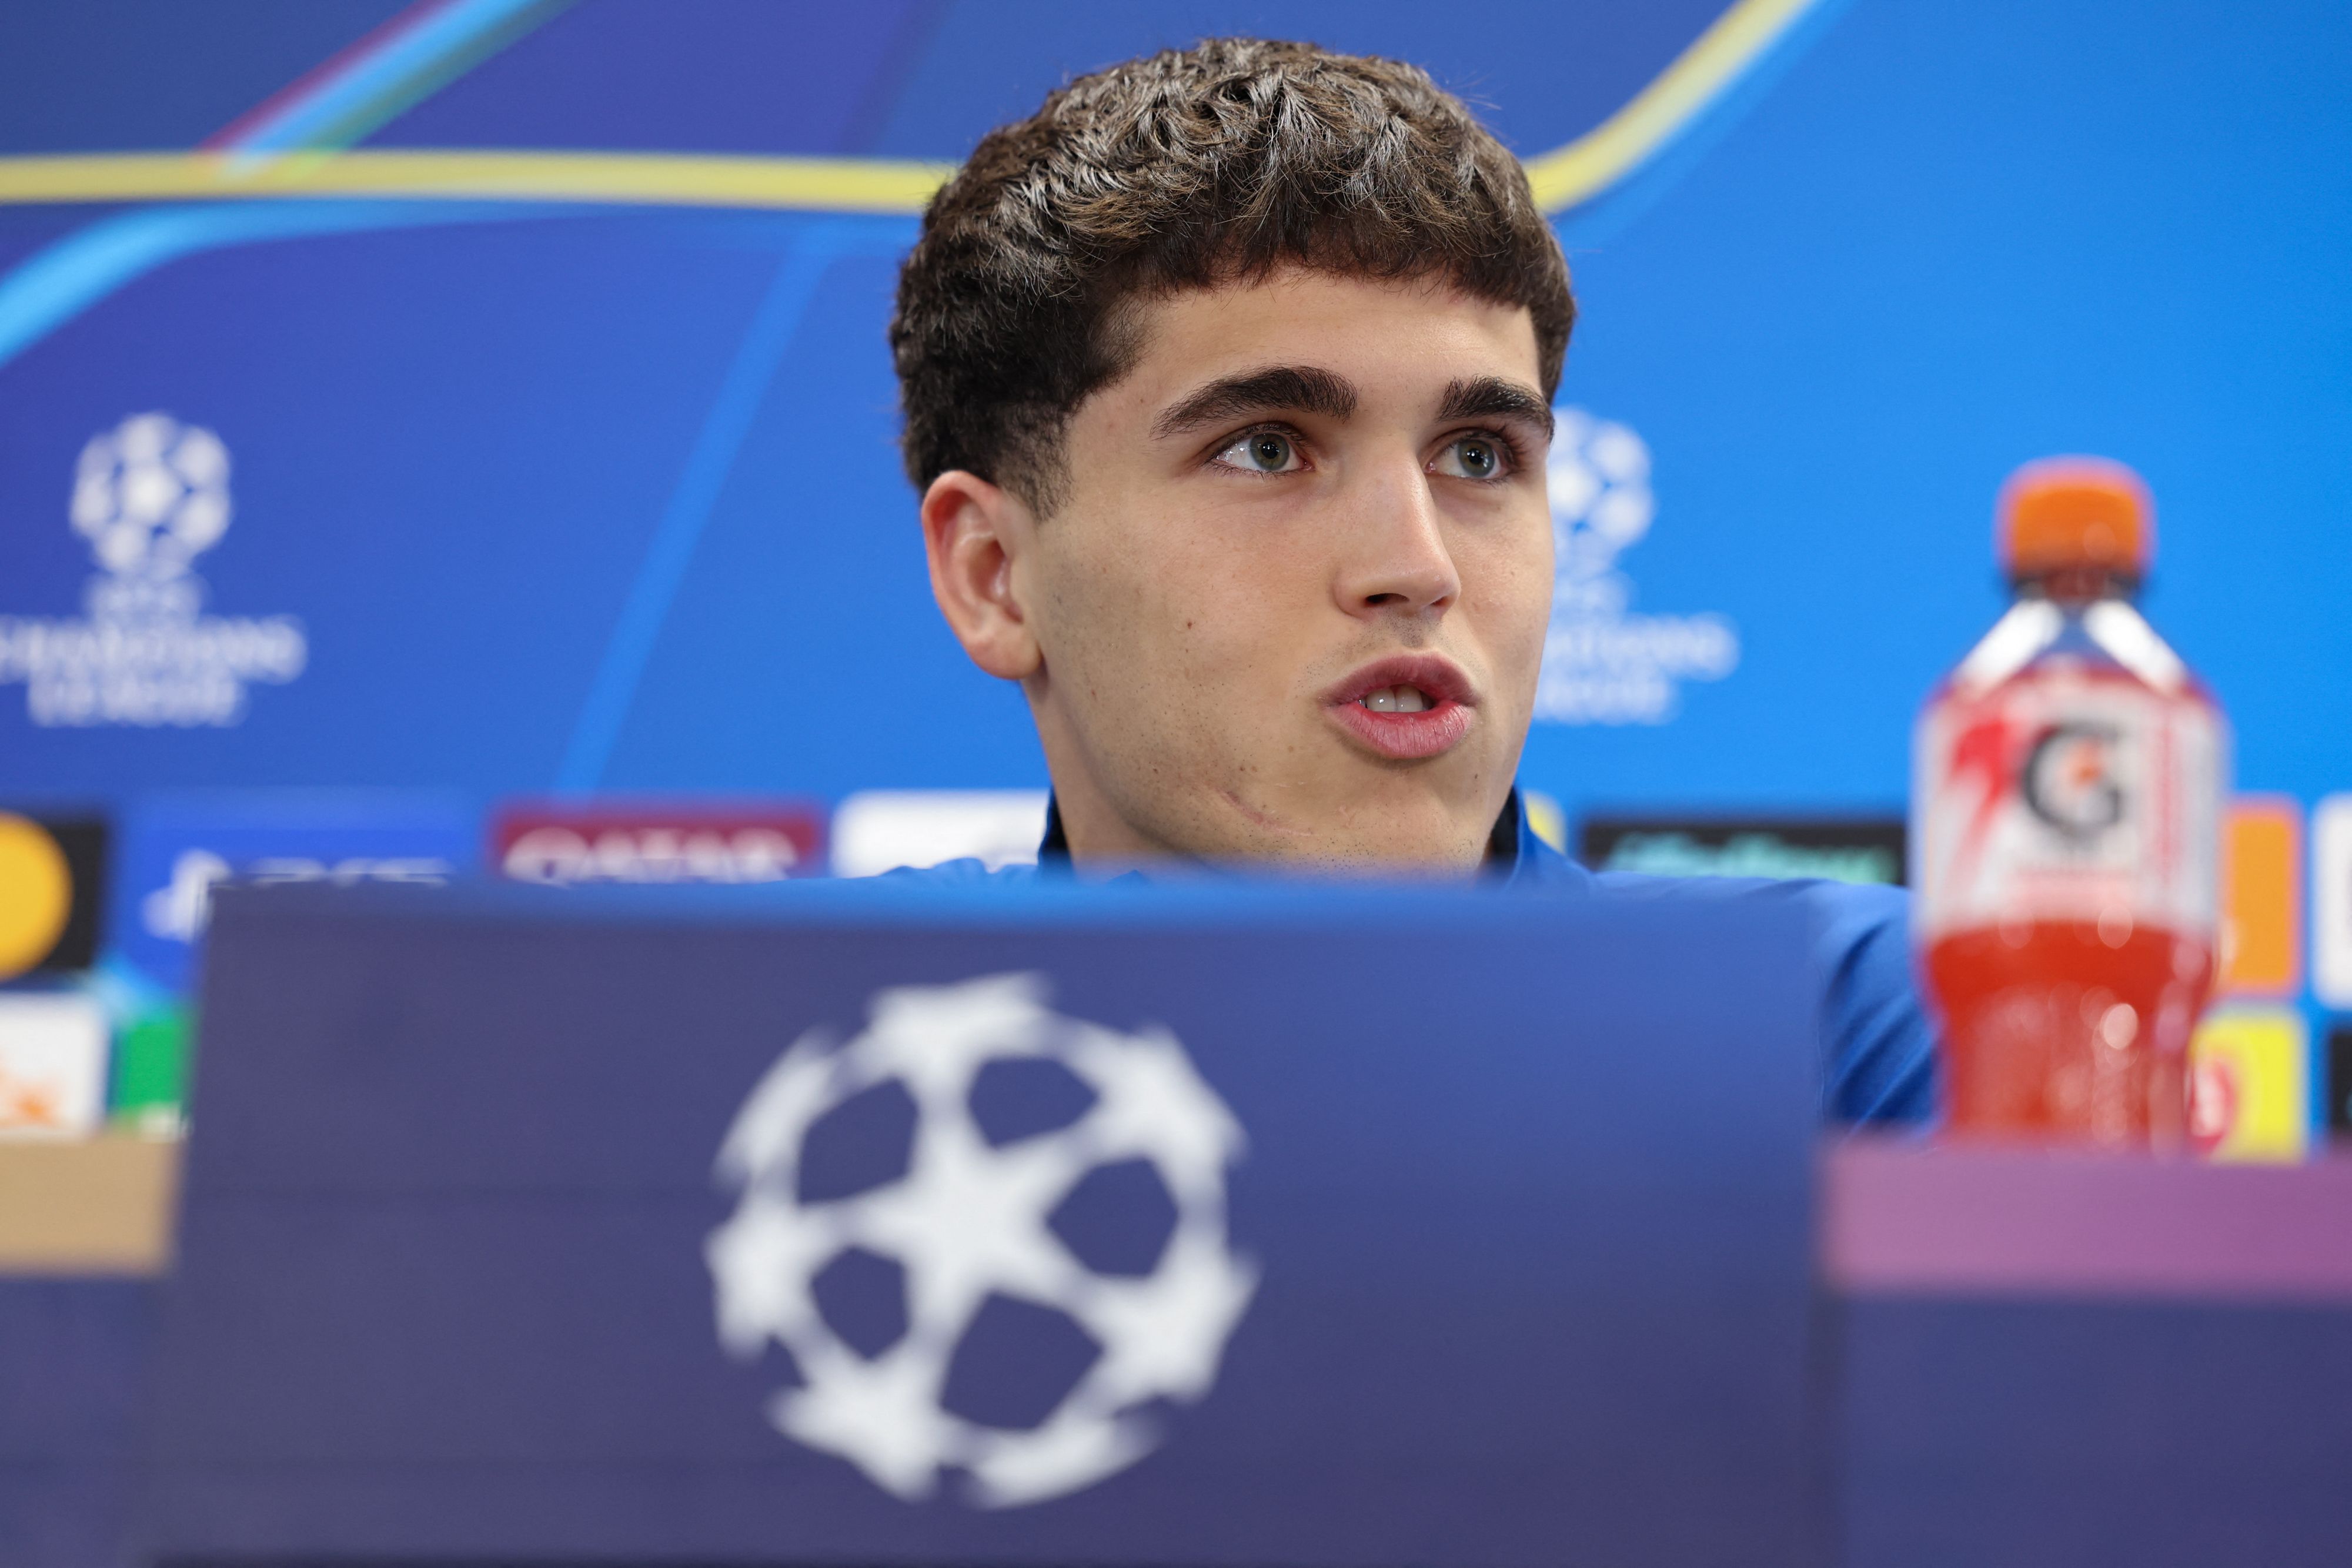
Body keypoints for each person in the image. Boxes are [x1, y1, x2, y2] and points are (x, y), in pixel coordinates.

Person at [886, 37, 1932, 1123]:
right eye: (1267, 449)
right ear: (995, 577)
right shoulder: (763, 1022)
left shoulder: (1854, 1038)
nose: (1419, 567)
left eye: (1477, 455)